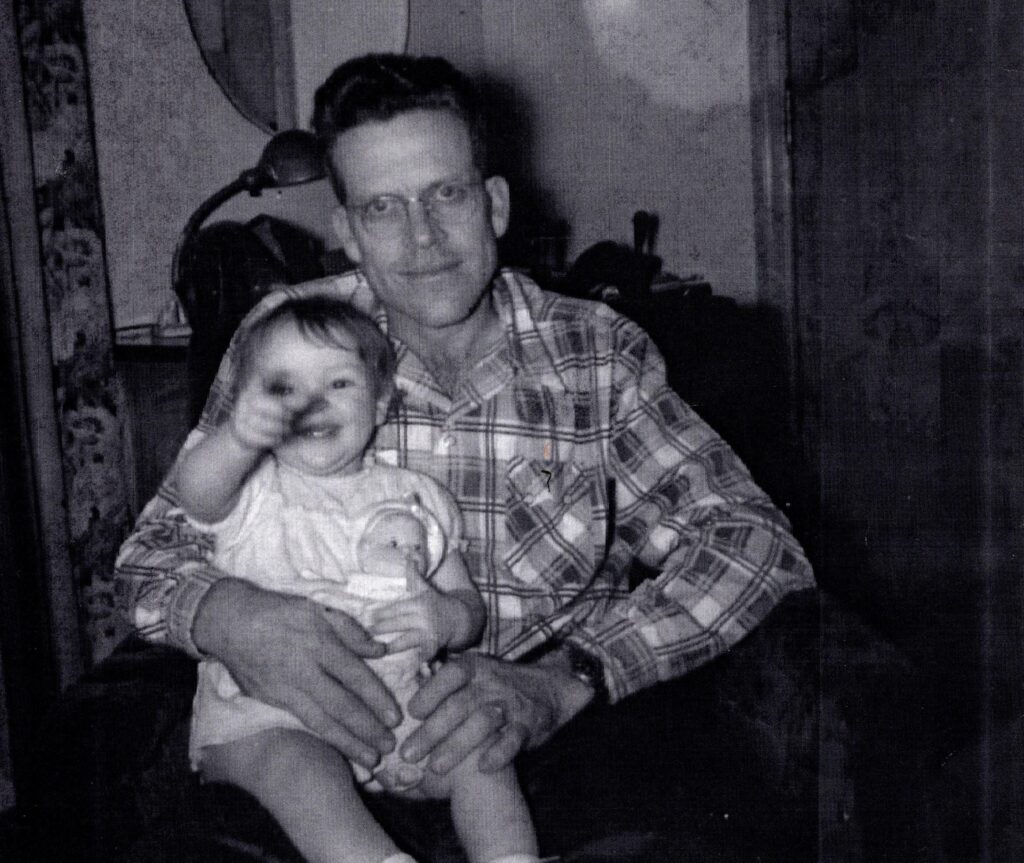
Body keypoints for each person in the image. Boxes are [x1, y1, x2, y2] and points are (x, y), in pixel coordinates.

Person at [116, 53, 815, 860]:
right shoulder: (289, 340)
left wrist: (569, 675)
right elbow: (151, 556)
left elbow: (755, 540)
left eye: (445, 195)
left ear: (494, 203)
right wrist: (231, 616)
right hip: (311, 749)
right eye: (382, 207)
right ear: (345, 232)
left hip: (539, 752)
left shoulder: (597, 354)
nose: (422, 239)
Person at [169, 295, 538, 863]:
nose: (312, 402)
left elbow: (466, 604)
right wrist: (237, 439)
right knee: (303, 771)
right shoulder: (253, 489)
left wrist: (446, 618)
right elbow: (194, 493)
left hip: (398, 709)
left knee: (481, 752)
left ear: (382, 401)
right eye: (283, 387)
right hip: (268, 719)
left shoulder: (416, 496)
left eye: (338, 383)